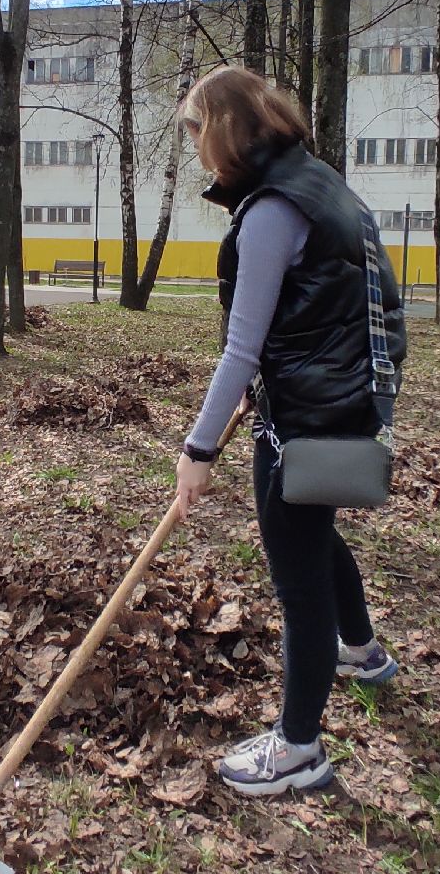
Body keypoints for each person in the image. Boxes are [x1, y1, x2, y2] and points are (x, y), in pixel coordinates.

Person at [171, 66, 408, 798]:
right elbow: (320, 308)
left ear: (222, 130)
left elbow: (240, 347)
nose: (200, 155)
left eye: (197, 135)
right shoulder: (321, 182)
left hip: (305, 418)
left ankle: (299, 748)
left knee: (298, 580)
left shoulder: (273, 209)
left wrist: (198, 449)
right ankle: (363, 653)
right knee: (318, 534)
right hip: (341, 402)